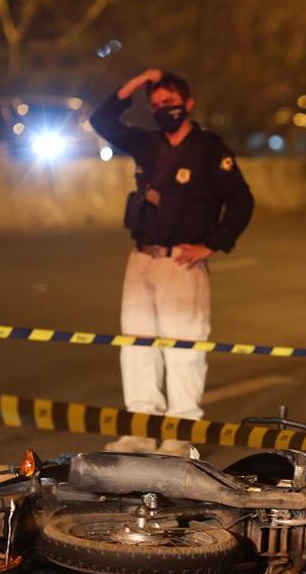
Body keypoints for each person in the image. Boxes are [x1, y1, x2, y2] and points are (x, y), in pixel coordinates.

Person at [90, 69, 254, 455]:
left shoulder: (210, 149)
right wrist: (140, 79)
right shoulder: (147, 144)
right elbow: (101, 120)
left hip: (183, 263)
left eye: (171, 102)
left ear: (188, 104)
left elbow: (242, 201)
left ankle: (180, 436)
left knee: (184, 350)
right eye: (157, 104)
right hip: (142, 258)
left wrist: (212, 244)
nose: (164, 110)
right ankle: (140, 431)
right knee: (136, 346)